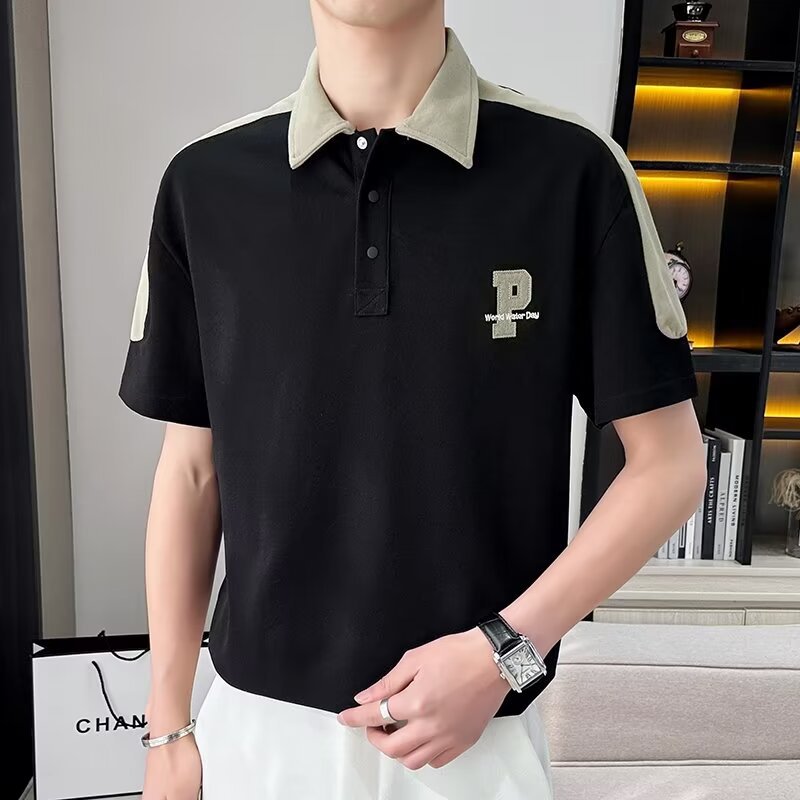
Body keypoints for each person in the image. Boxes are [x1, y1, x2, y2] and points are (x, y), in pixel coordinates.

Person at [118, 2, 707, 798]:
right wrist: (166, 724)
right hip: (255, 734)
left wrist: (503, 652)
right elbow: (192, 471)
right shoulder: (204, 183)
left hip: (476, 744)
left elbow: (670, 466)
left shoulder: (573, 170)